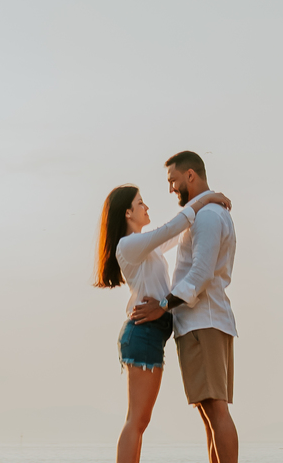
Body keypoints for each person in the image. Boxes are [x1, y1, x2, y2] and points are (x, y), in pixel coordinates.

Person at [95, 178, 233, 463]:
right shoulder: (129, 245)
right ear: (127, 214)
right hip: (143, 333)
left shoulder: (146, 247)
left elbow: (173, 232)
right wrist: (206, 198)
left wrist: (202, 205)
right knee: (137, 420)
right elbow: (172, 227)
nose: (146, 206)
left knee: (140, 420)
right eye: (140, 202)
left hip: (152, 334)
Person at [130, 150, 238, 463]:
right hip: (206, 322)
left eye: (173, 181)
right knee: (209, 413)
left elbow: (199, 276)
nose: (171, 189)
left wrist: (162, 305)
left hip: (202, 323)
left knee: (216, 410)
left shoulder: (207, 216)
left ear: (190, 175)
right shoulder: (206, 211)